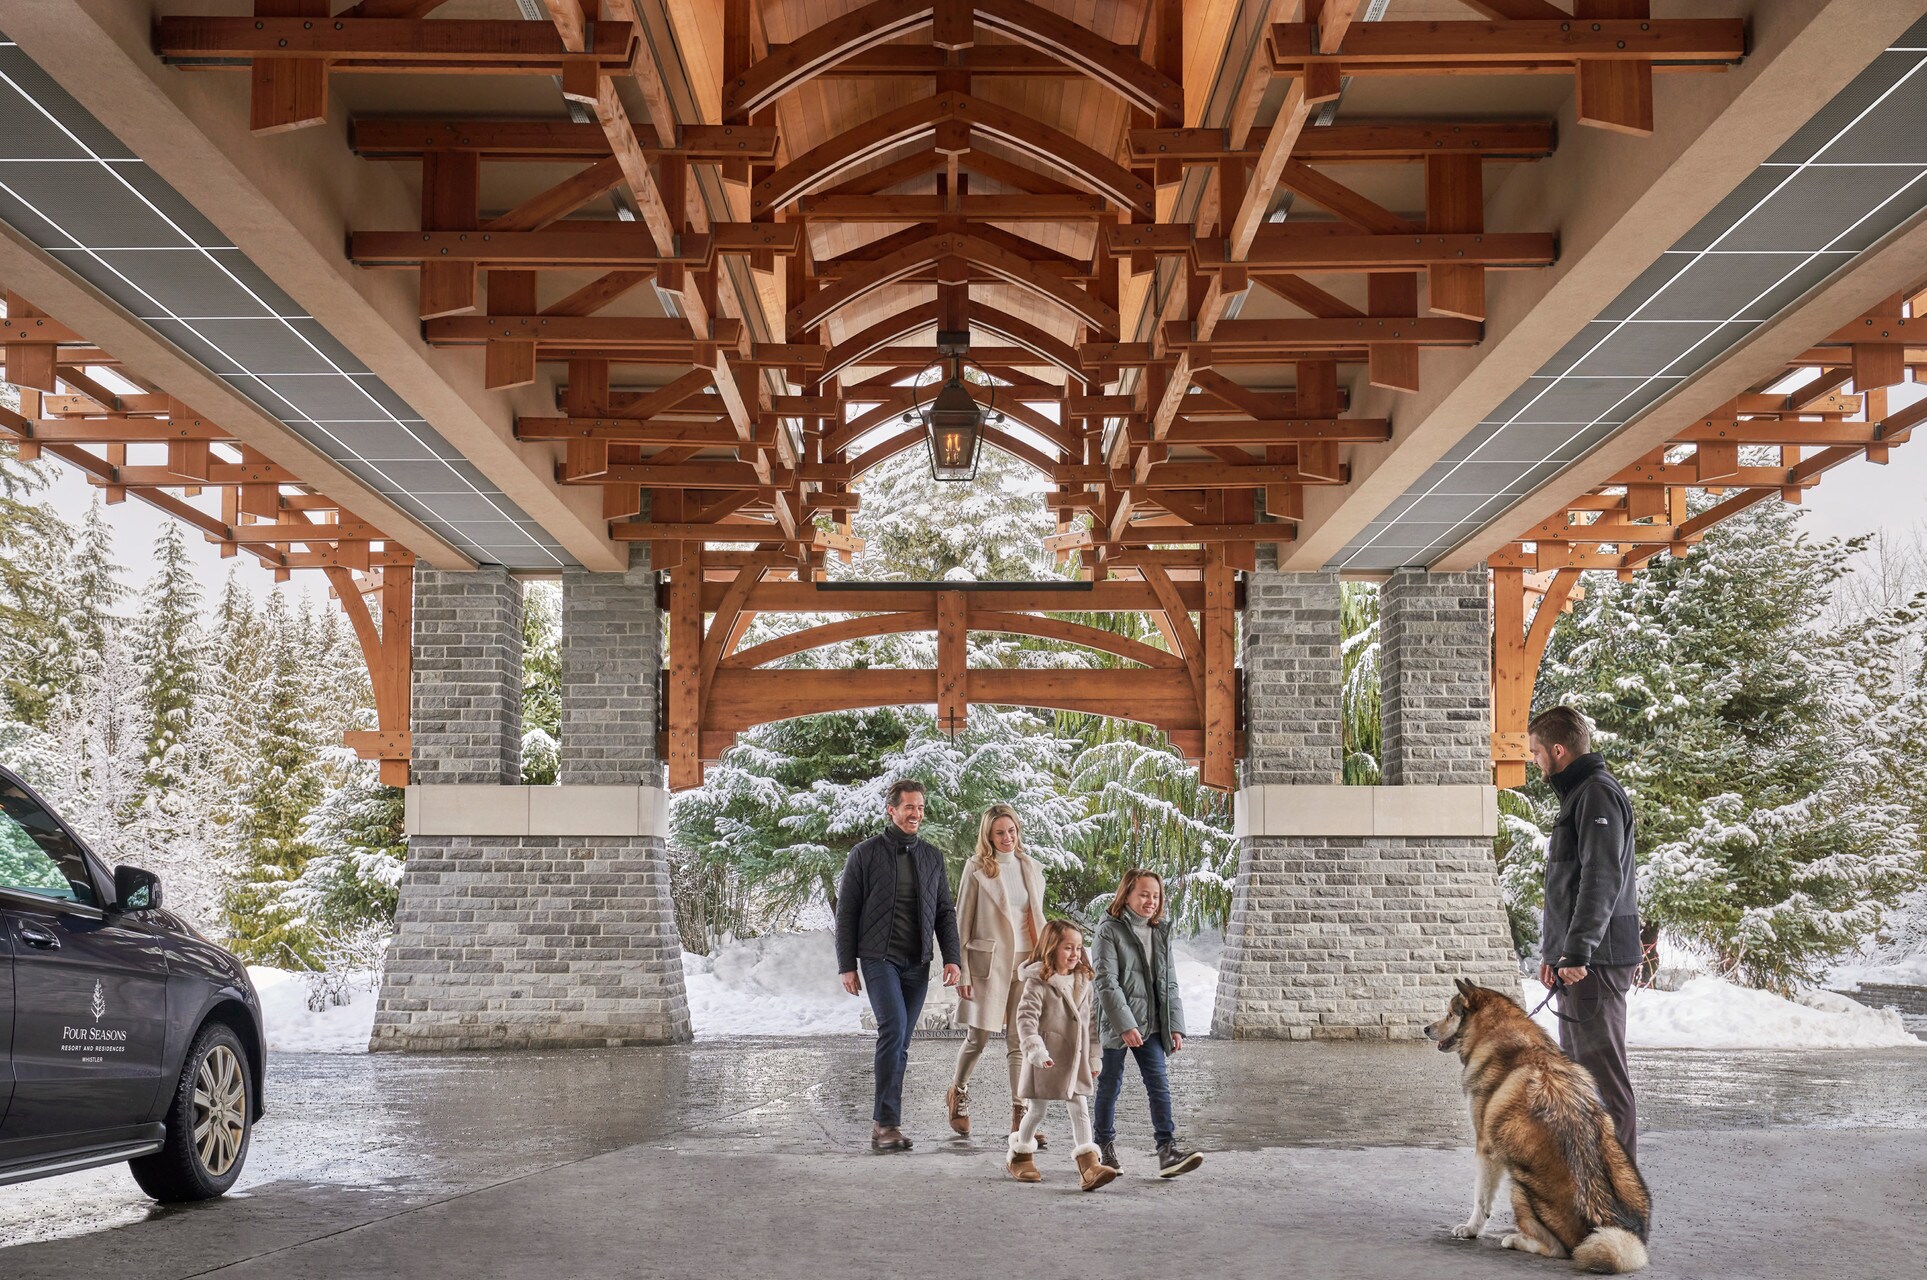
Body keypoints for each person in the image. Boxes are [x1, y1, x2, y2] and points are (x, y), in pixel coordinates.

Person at [1530, 705, 1643, 1164]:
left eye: (1536, 752)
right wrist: (1555, 952)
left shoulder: (1597, 794)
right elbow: (1569, 884)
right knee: (1579, 1079)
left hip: (1597, 962)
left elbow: (1601, 878)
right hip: (1579, 962)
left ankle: (1619, 1195)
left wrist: (1577, 952)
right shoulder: (1580, 795)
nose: (1534, 761)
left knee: (1603, 1081)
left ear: (1558, 750)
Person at [836, 779, 962, 1152]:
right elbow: (847, 912)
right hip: (879, 958)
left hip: (917, 963)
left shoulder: (931, 856)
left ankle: (886, 1122)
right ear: (892, 810)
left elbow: (944, 911)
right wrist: (847, 964)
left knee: (902, 1041)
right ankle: (886, 1123)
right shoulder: (864, 854)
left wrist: (952, 957)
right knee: (893, 1030)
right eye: (909, 807)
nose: (916, 814)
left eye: (920, 807)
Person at [1091, 869, 1203, 1178]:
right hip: (1117, 1022)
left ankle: (1167, 1151)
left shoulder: (1159, 931)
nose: (1150, 901)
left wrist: (1174, 1025)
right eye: (1143, 894)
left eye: (1155, 896)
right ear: (1126, 895)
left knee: (1159, 1085)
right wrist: (1125, 1025)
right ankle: (1103, 1147)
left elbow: (1169, 982)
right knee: (1110, 1084)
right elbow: (1106, 982)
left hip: (1152, 1024)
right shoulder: (1109, 930)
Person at [947, 803, 1048, 1143]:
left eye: (1011, 831)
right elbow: (962, 921)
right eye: (1000, 833)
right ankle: (958, 1091)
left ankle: (1021, 1115)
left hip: (1026, 962)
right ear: (988, 836)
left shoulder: (1030, 866)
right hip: (988, 964)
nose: (1007, 838)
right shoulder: (976, 868)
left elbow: (1036, 917)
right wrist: (962, 972)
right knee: (978, 1038)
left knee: (1019, 1040)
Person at [1006, 919, 1116, 1192]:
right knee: (1036, 1111)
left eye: (1079, 948)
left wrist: (1093, 1055)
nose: (1075, 953)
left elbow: (1090, 1023)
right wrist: (1034, 1048)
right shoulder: (1038, 982)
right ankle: (1020, 1153)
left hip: (1075, 1059)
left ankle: (1089, 1166)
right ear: (1051, 948)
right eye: (1068, 947)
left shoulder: (1083, 981)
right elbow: (1025, 1018)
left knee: (1080, 1108)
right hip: (1045, 1059)